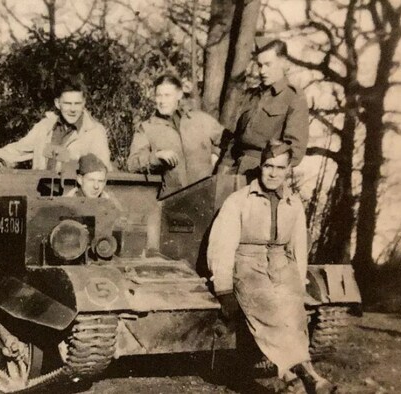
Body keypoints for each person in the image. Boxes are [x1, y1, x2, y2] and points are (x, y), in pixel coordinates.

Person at [207, 140, 335, 394]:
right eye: (268, 166)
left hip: (279, 263)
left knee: (294, 313)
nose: (273, 173)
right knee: (268, 309)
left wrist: (298, 283)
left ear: (288, 170)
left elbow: (298, 247)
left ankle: (292, 376)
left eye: (279, 168)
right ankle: (305, 375)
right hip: (247, 263)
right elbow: (222, 246)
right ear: (261, 167)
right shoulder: (239, 201)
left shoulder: (293, 203)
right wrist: (223, 290)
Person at [225, 38, 309, 183]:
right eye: (259, 65)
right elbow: (234, 139)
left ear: (283, 63)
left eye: (268, 65)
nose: (262, 71)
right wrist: (223, 169)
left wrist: (269, 172)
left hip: (263, 176)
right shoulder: (251, 95)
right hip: (235, 169)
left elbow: (295, 150)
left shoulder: (293, 97)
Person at [0, 76, 112, 171]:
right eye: (67, 104)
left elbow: (103, 169)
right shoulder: (45, 127)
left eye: (77, 104)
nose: (73, 109)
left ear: (84, 103)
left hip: (75, 200)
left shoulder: (94, 132)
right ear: (58, 103)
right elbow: (19, 149)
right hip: (42, 197)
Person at [127, 74, 223, 197]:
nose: (162, 101)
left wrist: (215, 155)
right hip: (173, 201)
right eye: (158, 96)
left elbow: (228, 141)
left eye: (167, 95)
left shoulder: (200, 119)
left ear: (179, 95)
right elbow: (132, 164)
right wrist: (156, 156)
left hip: (207, 196)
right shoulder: (147, 128)